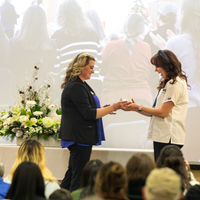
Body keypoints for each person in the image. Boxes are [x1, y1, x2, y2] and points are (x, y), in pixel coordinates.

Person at [59, 52, 127, 192]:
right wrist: (113, 107)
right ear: (81, 67)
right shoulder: (76, 87)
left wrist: (105, 109)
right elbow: (89, 113)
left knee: (72, 173)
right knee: (78, 176)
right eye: (90, 67)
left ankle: (60, 196)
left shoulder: (81, 85)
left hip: (81, 136)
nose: (93, 70)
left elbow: (88, 109)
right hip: (79, 137)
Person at [123, 49, 189, 161]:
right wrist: (135, 108)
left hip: (169, 138)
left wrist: (139, 107)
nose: (155, 70)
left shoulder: (175, 83)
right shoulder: (168, 83)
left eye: (157, 66)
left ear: (167, 65)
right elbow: (153, 113)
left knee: (165, 173)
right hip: (162, 137)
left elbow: (163, 113)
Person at [51, 0, 103, 101]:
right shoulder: (94, 35)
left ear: (61, 16)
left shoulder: (57, 37)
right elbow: (99, 64)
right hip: (93, 86)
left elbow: (56, 69)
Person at [7, 5, 56, 104]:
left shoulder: (14, 44)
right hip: (42, 92)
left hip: (18, 91)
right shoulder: (51, 46)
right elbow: (51, 67)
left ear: (25, 22)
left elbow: (10, 66)